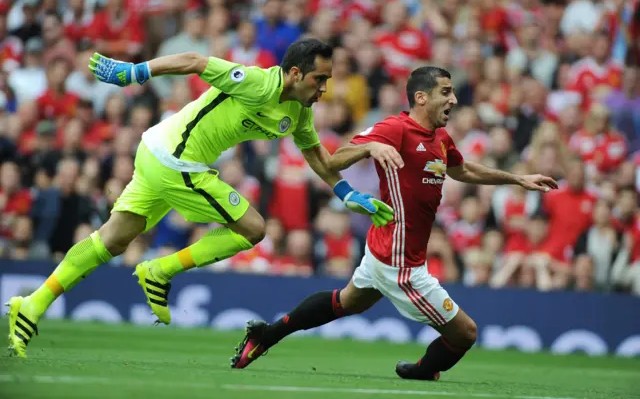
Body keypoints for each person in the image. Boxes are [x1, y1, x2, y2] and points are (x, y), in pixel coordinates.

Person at [5, 39, 396, 359]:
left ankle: (32, 304)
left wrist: (348, 193)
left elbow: (320, 159)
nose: (324, 88)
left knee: (114, 238)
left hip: (158, 152)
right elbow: (194, 61)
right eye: (319, 78)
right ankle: (160, 271)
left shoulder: (298, 113)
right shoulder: (258, 82)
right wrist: (134, 72)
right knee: (253, 228)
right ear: (295, 73)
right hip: (175, 159)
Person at [230, 66, 558, 380]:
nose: (454, 100)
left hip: (383, 245)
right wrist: (371, 146)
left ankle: (266, 335)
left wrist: (517, 179)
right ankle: (422, 371)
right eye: (446, 92)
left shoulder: (440, 138)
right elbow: (335, 159)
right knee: (465, 333)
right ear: (421, 97)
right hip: (398, 261)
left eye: (454, 92)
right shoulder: (396, 129)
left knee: (345, 302)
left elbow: (463, 170)